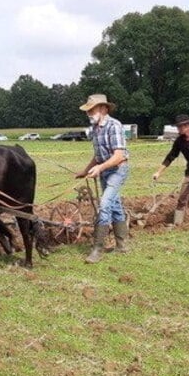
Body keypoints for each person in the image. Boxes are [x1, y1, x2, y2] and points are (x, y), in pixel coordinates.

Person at [75, 94, 130, 264]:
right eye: (88, 111)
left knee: (104, 205)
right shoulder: (95, 130)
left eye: (92, 110)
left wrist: (99, 168)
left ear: (104, 109)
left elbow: (119, 156)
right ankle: (123, 245)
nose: (89, 113)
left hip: (118, 170)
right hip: (106, 171)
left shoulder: (114, 126)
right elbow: (98, 156)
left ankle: (97, 249)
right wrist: (85, 171)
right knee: (115, 206)